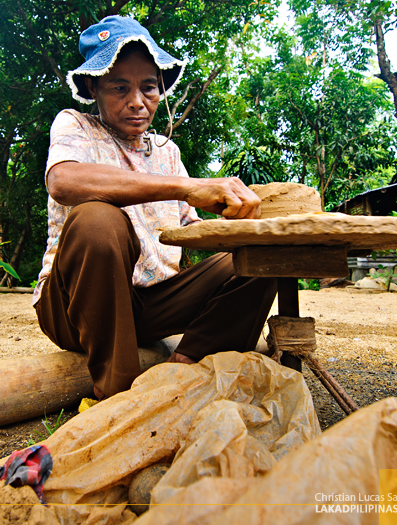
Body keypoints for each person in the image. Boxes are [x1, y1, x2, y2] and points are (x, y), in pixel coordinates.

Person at [33, 15, 277, 399]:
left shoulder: (167, 153)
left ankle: (184, 369)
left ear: (160, 89)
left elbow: (190, 229)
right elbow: (63, 182)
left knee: (261, 257)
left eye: (148, 87)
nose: (137, 101)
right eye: (119, 88)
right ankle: (117, 394)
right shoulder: (75, 126)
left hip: (150, 307)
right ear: (94, 88)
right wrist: (188, 186)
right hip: (72, 307)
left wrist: (236, 223)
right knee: (98, 219)